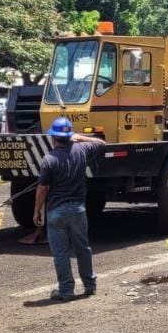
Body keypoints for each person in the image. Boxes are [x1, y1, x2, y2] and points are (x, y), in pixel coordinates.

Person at [33, 116, 106, 301]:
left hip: (56, 212)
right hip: (78, 210)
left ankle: (66, 291)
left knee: (61, 253)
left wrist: (37, 211)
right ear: (70, 136)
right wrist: (80, 137)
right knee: (83, 248)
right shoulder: (81, 150)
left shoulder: (49, 159)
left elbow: (42, 188)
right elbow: (101, 143)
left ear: (53, 138)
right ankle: (90, 285)